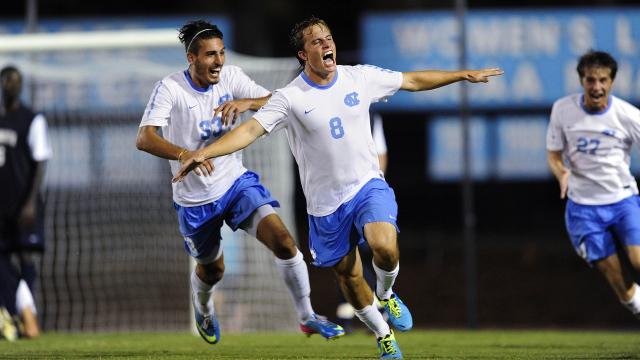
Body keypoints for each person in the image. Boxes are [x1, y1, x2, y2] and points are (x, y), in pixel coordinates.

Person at [173, 17, 502, 359]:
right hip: (325, 207)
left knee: (384, 246)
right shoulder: (289, 98)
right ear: (303, 54)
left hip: (366, 186)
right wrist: (202, 153)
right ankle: (383, 333)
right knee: (350, 279)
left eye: (327, 38)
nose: (325, 45)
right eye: (316, 42)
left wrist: (461, 75)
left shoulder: (359, 77)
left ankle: (387, 294)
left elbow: (413, 80)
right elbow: (249, 132)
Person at [135, 20, 344, 345]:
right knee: (212, 270)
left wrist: (248, 103)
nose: (218, 61)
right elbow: (144, 138)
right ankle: (203, 307)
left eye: (221, 53)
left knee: (285, 243)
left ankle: (307, 317)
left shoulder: (231, 78)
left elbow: (277, 100)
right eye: (209, 55)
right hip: (195, 201)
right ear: (192, 58)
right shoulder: (170, 88)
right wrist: (185, 154)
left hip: (234, 184)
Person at [546, 50, 640, 320]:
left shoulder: (628, 115)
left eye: (602, 80)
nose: (596, 87)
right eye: (590, 80)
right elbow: (553, 154)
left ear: (611, 82)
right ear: (581, 81)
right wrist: (561, 172)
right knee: (615, 277)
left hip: (622, 200)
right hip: (584, 208)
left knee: (637, 260)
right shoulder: (563, 110)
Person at [0, 65, 50, 339]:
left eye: (16, 80)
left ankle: (26, 317)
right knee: (4, 260)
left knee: (26, 258)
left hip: (23, 205)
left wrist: (30, 203)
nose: (11, 84)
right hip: (1, 206)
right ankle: (21, 316)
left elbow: (40, 162)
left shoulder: (32, 119)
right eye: (7, 80)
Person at [335, 111, 387, 331]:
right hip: (335, 196)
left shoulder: (371, 115)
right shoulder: (328, 109)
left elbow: (381, 153)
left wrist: (374, 187)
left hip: (364, 194)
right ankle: (347, 310)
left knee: (376, 250)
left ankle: (381, 304)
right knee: (343, 254)